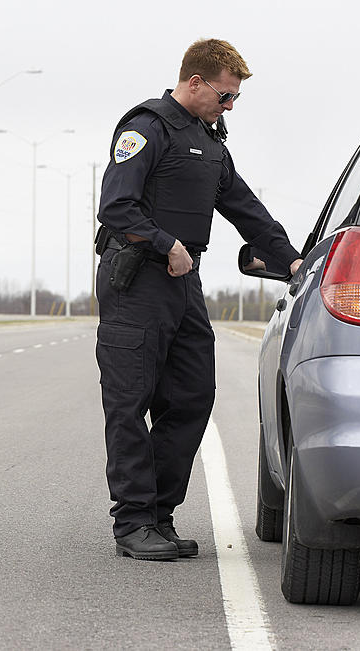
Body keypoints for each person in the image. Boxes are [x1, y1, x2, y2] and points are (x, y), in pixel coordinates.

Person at [94, 38, 303, 561]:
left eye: (234, 99)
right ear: (195, 82)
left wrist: (294, 260)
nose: (229, 107)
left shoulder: (210, 144)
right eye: (225, 96)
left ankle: (158, 515)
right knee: (130, 402)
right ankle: (133, 522)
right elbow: (115, 208)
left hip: (182, 283)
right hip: (137, 278)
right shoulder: (147, 128)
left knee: (191, 396)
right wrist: (167, 245)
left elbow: (246, 208)